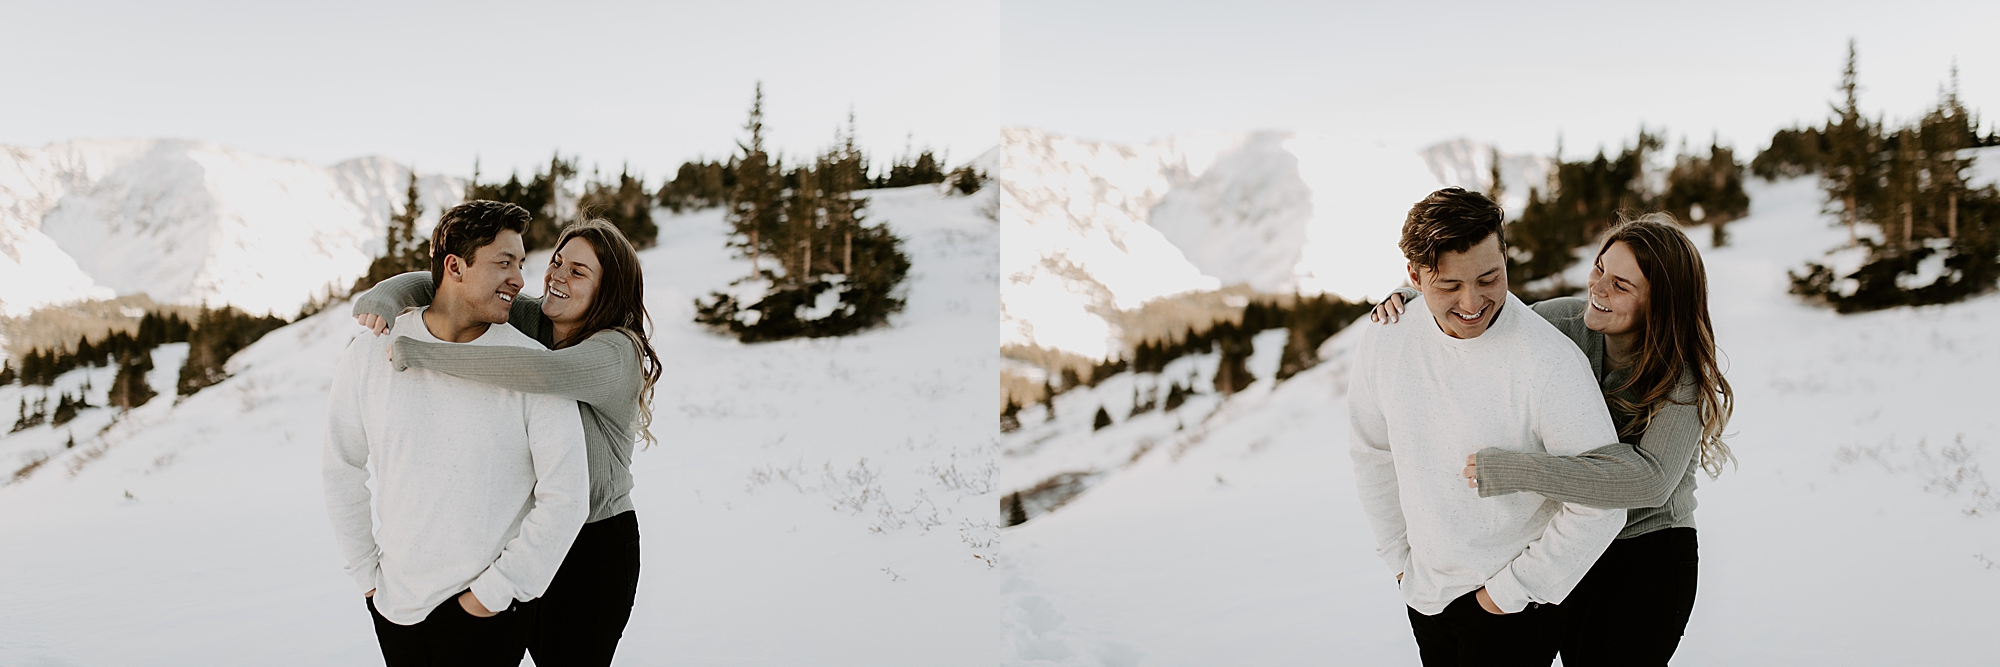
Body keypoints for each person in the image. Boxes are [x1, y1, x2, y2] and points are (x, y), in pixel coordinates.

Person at [1370, 212, 1733, 666]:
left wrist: (1518, 472)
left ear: (1662, 301)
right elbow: (1484, 313)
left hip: (1646, 555)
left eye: (1621, 286)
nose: (1598, 290)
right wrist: (1417, 300)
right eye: (1600, 269)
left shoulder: (1682, 377)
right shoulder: (1562, 320)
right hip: (1570, 547)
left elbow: (1649, 483)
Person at [351, 217, 662, 666]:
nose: (557, 276)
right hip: (527, 539)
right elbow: (450, 284)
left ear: (608, 289)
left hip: (592, 549)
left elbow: (543, 373)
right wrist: (387, 295)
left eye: (579, 272)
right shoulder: (536, 318)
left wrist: (427, 356)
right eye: (558, 262)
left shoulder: (617, 351)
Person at [1349, 187, 1627, 666]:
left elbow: (1601, 502)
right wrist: (1400, 561)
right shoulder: (1387, 337)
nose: (1473, 301)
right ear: (1414, 276)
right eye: (1449, 286)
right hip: (1425, 592)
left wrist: (1510, 593)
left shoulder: (1550, 362)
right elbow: (1372, 453)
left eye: (1488, 277)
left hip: (1511, 608)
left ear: (1505, 257)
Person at [323, 200, 589, 666]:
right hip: (396, 607)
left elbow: (566, 495)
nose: (520, 280)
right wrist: (367, 575)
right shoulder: (371, 354)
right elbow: (341, 465)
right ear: (455, 267)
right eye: (504, 262)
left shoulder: (532, 367)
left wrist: (495, 594)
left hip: (487, 613)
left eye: (521, 264)